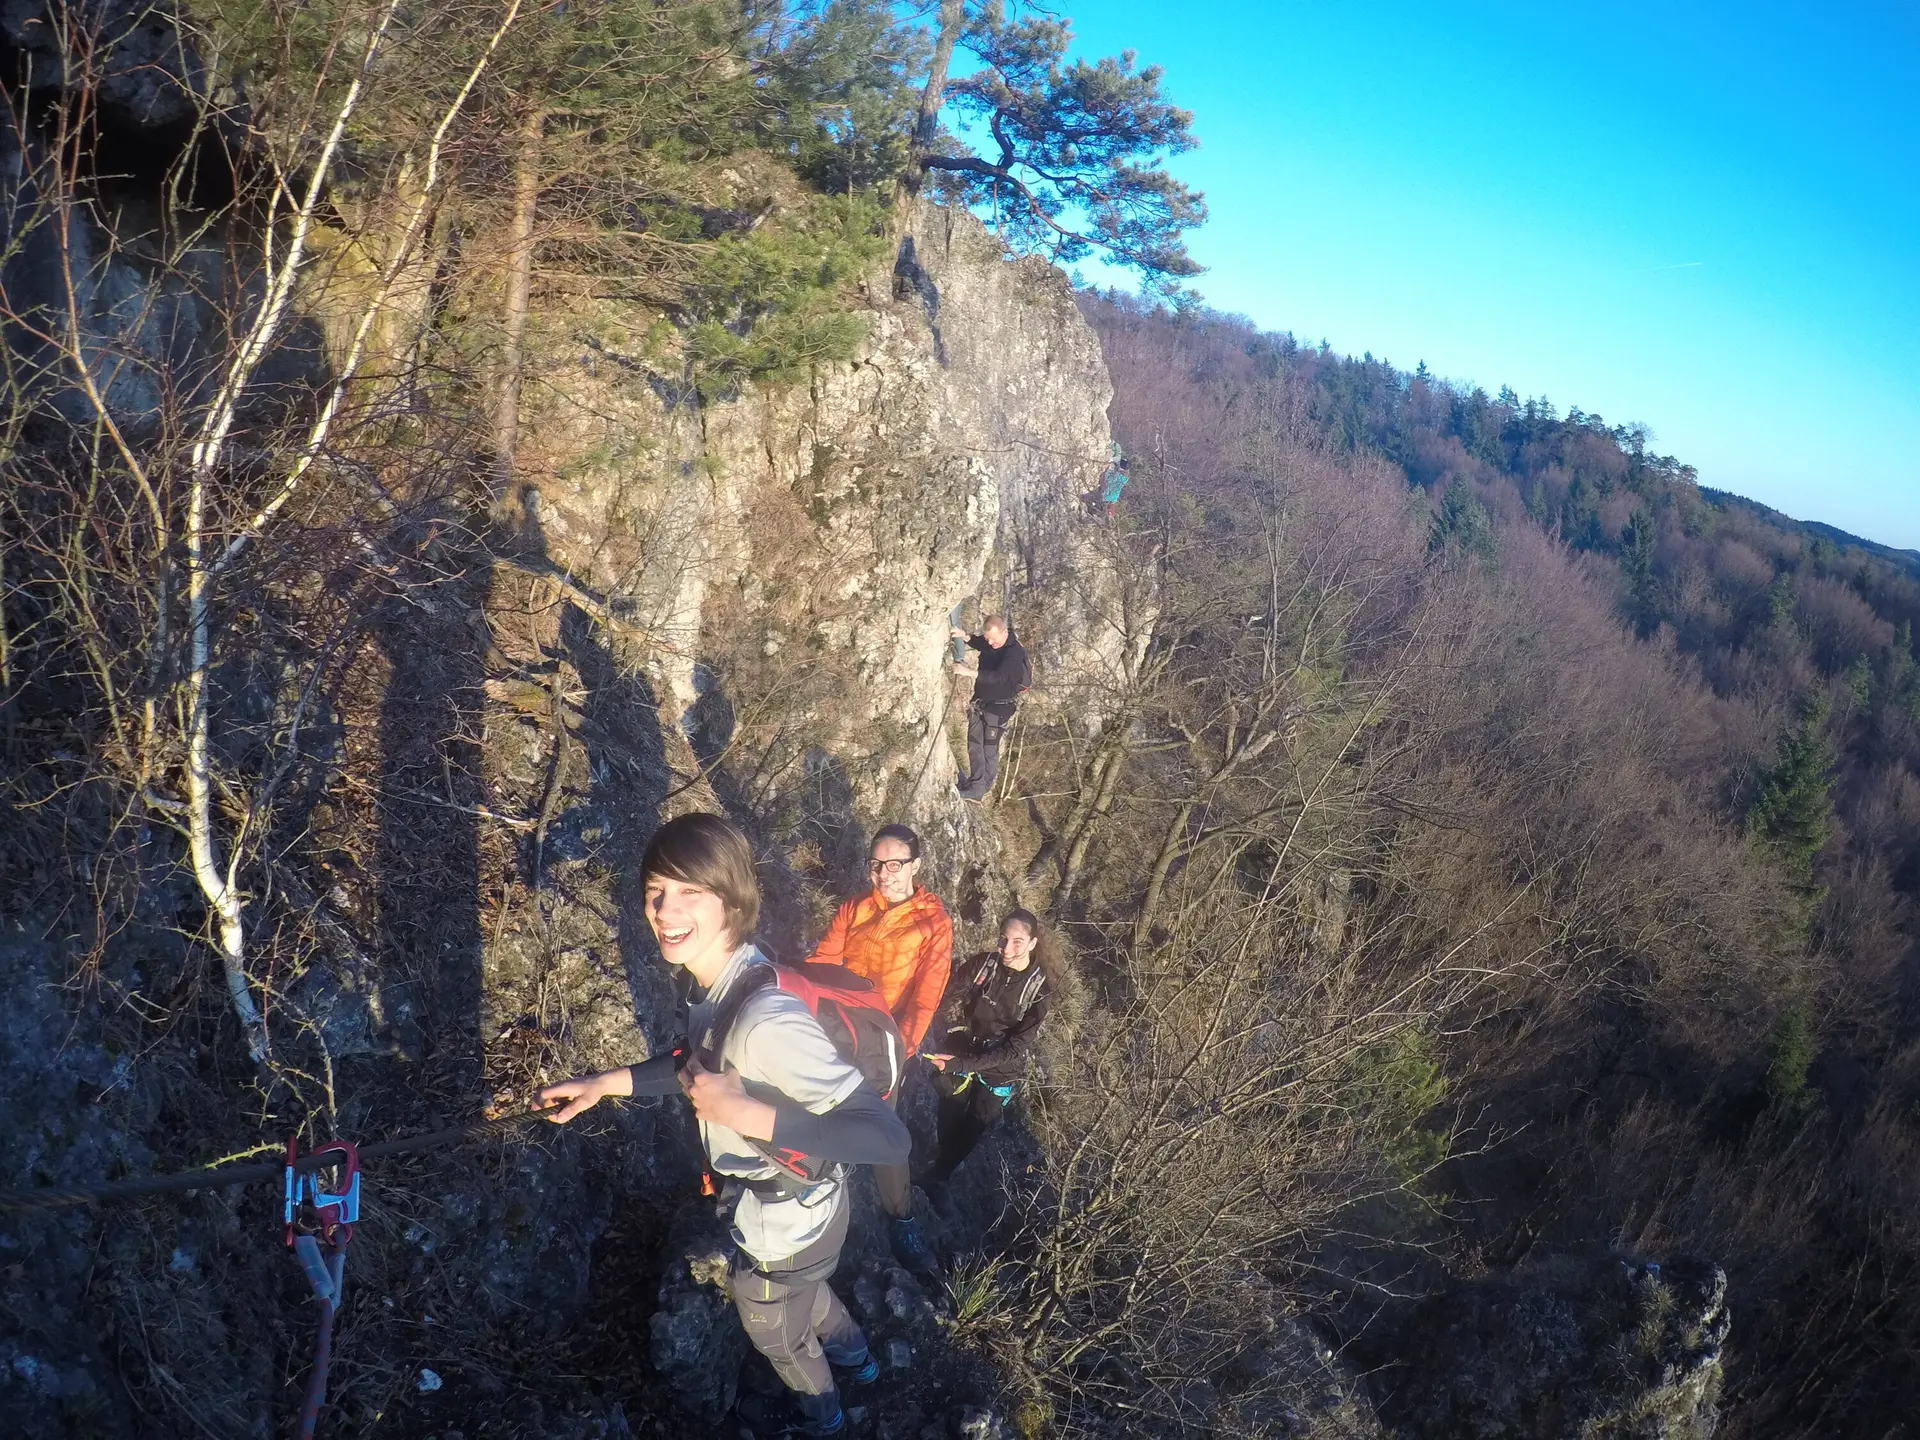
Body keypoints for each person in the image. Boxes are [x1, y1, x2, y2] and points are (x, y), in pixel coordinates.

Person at [538, 813, 908, 1439]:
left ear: (731, 900)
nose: (663, 908)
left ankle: (825, 1418)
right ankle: (860, 1364)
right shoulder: (734, 979)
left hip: (789, 1219)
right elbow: (696, 1065)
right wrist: (606, 1084)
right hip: (810, 1210)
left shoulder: (764, 1018)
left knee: (772, 1325)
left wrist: (752, 1114)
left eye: (689, 891)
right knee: (806, 1294)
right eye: (655, 889)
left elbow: (887, 1136)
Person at [805, 823, 951, 1274]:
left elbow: (926, 997)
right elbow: (821, 963)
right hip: (834, 1027)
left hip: (884, 1041)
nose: (884, 873)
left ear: (915, 866)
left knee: (885, 1133)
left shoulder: (933, 924)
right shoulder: (855, 908)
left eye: (894, 864)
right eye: (876, 865)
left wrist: (901, 1049)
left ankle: (902, 1218)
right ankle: (810, 1193)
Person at [925, 908, 1055, 1189]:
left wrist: (959, 1064)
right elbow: (948, 996)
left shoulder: (1039, 990)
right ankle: (939, 1165)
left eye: (1017, 942)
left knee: (974, 1126)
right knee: (949, 1112)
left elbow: (1013, 1049)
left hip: (999, 1068)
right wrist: (953, 1032)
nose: (1007, 949)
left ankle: (940, 1177)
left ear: (1033, 943)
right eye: (1003, 939)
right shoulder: (983, 966)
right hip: (966, 1046)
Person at [949, 614, 1031, 802]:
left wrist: (968, 672)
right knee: (974, 744)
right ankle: (978, 784)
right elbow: (982, 644)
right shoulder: (992, 643)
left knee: (988, 749)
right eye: (988, 638)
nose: (991, 642)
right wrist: (964, 636)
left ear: (1005, 631)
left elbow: (1000, 677)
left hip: (998, 710)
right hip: (981, 702)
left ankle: (980, 788)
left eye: (994, 638)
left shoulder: (1014, 653)